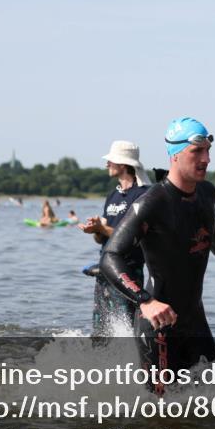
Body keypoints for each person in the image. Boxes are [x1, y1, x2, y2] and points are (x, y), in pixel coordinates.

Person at [99, 117, 215, 394]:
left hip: (195, 319)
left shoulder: (207, 194)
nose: (206, 159)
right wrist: (145, 301)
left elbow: (213, 233)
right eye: (197, 151)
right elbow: (110, 255)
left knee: (213, 399)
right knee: (159, 413)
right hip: (158, 324)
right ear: (174, 155)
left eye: (208, 150)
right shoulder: (152, 203)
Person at [80, 141, 153, 335]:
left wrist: (102, 228)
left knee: (127, 330)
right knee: (100, 333)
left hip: (127, 272)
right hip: (105, 271)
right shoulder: (113, 195)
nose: (107, 165)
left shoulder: (143, 195)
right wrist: (95, 230)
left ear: (123, 164)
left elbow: (133, 237)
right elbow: (101, 238)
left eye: (110, 161)